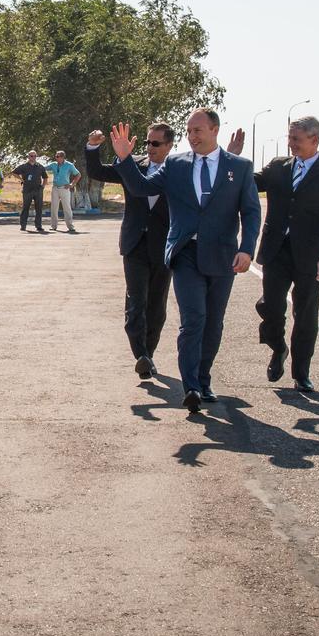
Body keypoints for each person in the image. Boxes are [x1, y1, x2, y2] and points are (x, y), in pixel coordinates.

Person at [108, 109, 261, 413]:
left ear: (214, 130)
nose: (192, 136)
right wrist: (125, 159)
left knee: (214, 323)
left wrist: (246, 249)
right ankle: (190, 385)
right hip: (185, 253)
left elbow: (251, 211)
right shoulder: (176, 164)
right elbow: (142, 188)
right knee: (194, 320)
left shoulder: (239, 167)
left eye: (198, 131)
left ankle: (203, 380)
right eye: (189, 131)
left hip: (222, 255)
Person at [227, 116, 319, 392]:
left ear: (314, 140)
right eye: (289, 138)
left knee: (305, 314)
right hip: (276, 250)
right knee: (270, 306)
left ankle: (301, 372)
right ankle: (278, 348)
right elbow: (250, 183)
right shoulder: (278, 168)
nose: (290, 144)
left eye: (296, 139)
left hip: (311, 256)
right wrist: (232, 159)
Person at [85, 124, 173, 379]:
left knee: (156, 306)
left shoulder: (179, 169)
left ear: (169, 145)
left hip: (164, 246)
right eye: (147, 142)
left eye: (155, 144)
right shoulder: (131, 164)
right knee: (136, 302)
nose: (149, 148)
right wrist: (93, 147)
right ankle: (140, 354)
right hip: (134, 244)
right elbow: (97, 171)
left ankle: (149, 353)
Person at [45, 150, 80, 233]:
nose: (56, 158)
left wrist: (72, 184)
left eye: (57, 156)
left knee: (67, 207)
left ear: (62, 157)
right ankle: (53, 226)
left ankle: (70, 226)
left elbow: (78, 174)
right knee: (54, 207)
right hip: (55, 188)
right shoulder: (53, 164)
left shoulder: (69, 165)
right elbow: (43, 168)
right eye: (55, 156)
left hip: (64, 188)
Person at [12, 151, 48, 233]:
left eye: (34, 156)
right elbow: (14, 172)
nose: (33, 157)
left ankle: (38, 226)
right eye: (31, 156)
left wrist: (43, 186)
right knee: (26, 208)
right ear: (28, 157)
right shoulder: (24, 166)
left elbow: (45, 177)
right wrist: (21, 179)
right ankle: (23, 225)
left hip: (38, 190)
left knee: (39, 208)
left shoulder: (40, 166)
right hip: (27, 190)